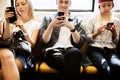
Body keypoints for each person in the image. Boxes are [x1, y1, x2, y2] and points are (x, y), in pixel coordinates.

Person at [37, 0, 86, 79]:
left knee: (76, 53)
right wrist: (51, 26)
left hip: (71, 50)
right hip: (53, 51)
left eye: (66, 2)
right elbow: (43, 42)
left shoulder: (77, 20)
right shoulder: (48, 18)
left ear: (70, 3)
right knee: (70, 65)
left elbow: (79, 42)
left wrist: (72, 28)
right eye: (61, 2)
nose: (63, 5)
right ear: (57, 2)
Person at [0, 0, 41, 80]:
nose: (20, 7)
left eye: (23, 4)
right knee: (5, 54)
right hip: (10, 51)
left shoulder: (36, 24)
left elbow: (32, 44)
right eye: (17, 5)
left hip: (24, 55)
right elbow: (6, 40)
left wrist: (23, 28)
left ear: (29, 5)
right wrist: (8, 23)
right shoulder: (12, 23)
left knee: (5, 58)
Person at [86, 0, 120, 79]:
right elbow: (87, 39)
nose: (106, 8)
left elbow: (116, 41)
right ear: (99, 6)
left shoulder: (116, 21)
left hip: (109, 50)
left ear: (112, 6)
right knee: (105, 68)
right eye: (103, 6)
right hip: (94, 49)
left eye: (109, 5)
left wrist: (114, 32)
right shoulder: (92, 20)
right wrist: (97, 32)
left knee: (118, 65)